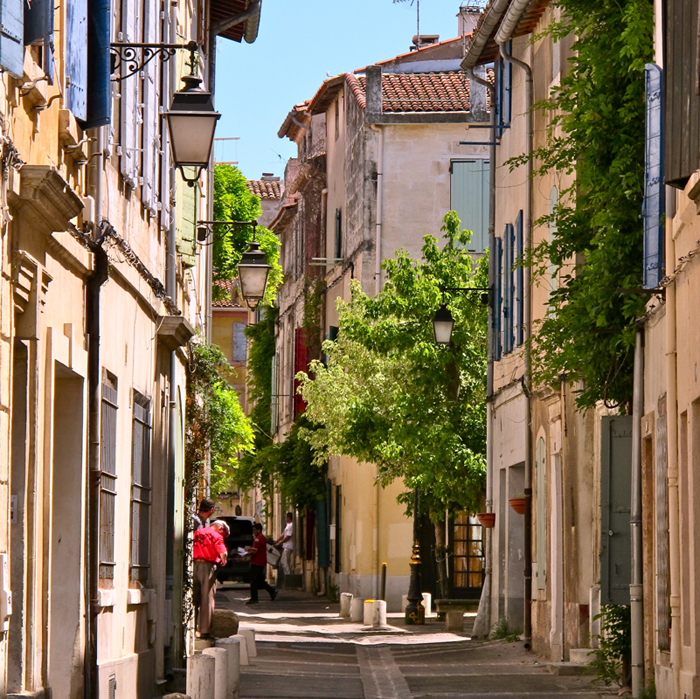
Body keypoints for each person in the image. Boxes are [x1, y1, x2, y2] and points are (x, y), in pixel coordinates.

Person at [193, 519, 230, 639]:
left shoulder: (199, 532)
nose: (223, 537)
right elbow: (222, 551)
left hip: (193, 565)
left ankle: (192, 628)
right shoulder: (216, 536)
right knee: (207, 599)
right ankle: (204, 631)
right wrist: (224, 559)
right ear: (221, 529)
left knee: (193, 599)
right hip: (207, 567)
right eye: (224, 535)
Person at [245, 522, 276, 604]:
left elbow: (254, 551)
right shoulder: (262, 538)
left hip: (256, 562)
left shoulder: (258, 538)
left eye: (255, 530)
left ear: (259, 530)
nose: (253, 532)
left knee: (254, 581)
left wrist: (246, 552)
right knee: (260, 580)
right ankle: (272, 591)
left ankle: (254, 598)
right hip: (261, 562)